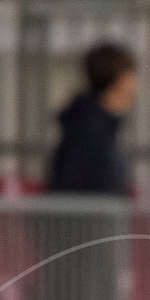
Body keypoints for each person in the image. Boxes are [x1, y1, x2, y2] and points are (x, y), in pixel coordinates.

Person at [47, 42, 136, 196]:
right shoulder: (86, 131)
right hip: (87, 220)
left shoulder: (100, 127)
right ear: (121, 79)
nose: (136, 84)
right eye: (131, 74)